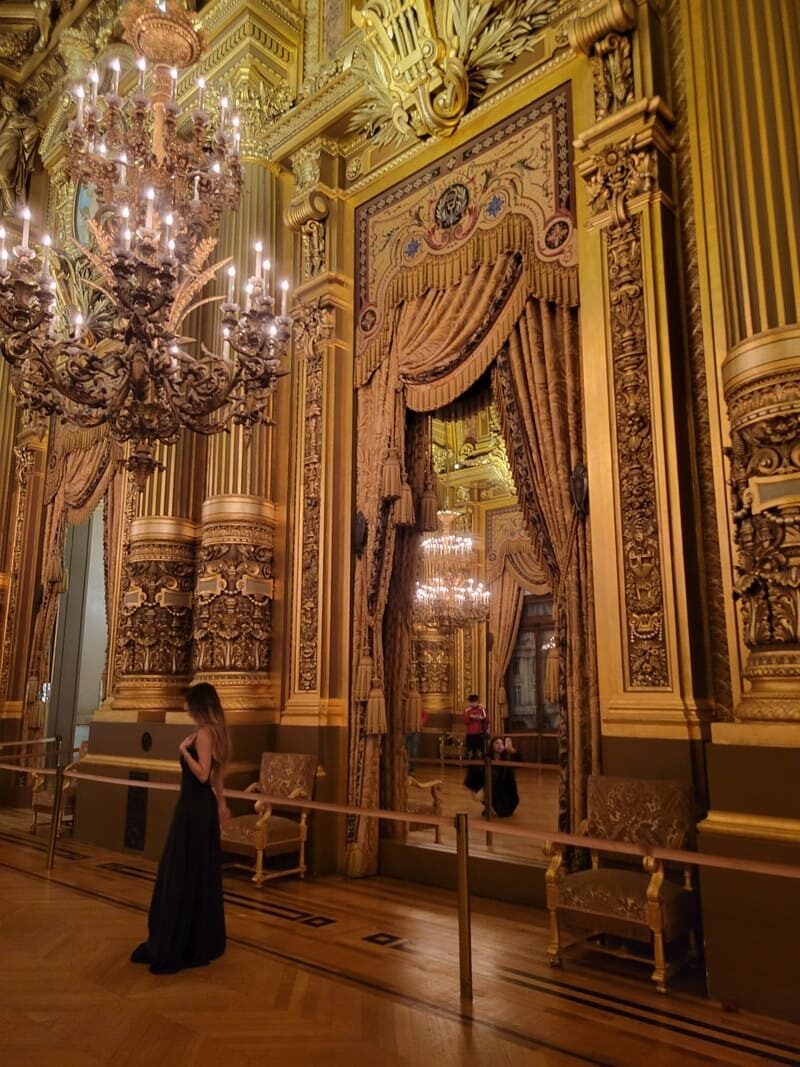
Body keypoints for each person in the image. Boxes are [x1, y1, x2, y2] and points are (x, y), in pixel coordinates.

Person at [131, 682, 230, 974]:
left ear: (199, 706)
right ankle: (202, 936)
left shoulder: (203, 733)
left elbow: (202, 775)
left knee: (180, 869)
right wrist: (222, 805)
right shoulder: (220, 732)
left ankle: (179, 938)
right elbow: (217, 777)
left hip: (192, 808)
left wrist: (183, 752)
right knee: (200, 871)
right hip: (205, 809)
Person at [462, 693, 487, 761]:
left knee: (480, 752)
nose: (474, 703)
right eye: (472, 702)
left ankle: (480, 766)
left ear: (478, 701)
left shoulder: (482, 709)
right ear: (470, 702)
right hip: (470, 734)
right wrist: (470, 717)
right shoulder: (467, 710)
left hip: (479, 734)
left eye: (475, 701)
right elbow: (465, 721)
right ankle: (470, 766)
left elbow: (486, 719)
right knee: (470, 752)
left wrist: (481, 718)